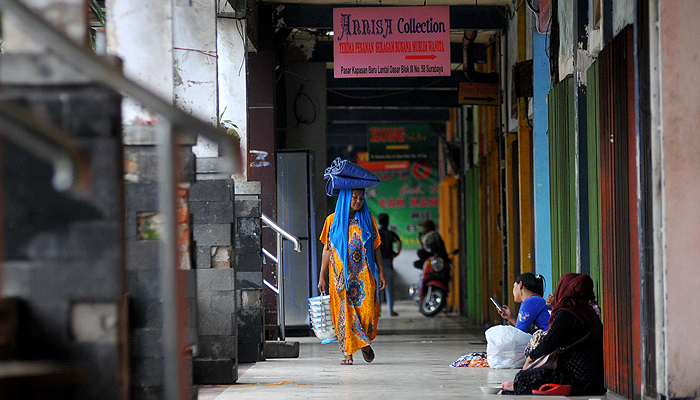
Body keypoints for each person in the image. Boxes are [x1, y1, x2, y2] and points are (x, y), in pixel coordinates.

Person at [502, 273, 606, 396]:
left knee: (522, 377)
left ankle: (521, 386)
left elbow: (549, 342)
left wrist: (530, 358)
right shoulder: (588, 311)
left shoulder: (567, 312)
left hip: (576, 378)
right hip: (595, 379)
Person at [318, 188, 387, 365]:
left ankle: (363, 342)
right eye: (354, 197)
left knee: (366, 314)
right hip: (340, 277)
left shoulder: (368, 219)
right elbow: (327, 250)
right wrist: (322, 276)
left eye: (361, 198)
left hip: (364, 275)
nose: (358, 201)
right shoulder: (331, 221)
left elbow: (376, 247)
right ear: (345, 198)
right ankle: (348, 354)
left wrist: (381, 272)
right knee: (343, 314)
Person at [377, 213, 402, 316]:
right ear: (388, 221)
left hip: (376, 263)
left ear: (379, 222)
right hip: (387, 261)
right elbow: (399, 242)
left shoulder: (376, 233)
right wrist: (397, 253)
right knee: (389, 286)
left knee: (377, 287)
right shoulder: (390, 233)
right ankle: (390, 310)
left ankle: (378, 311)